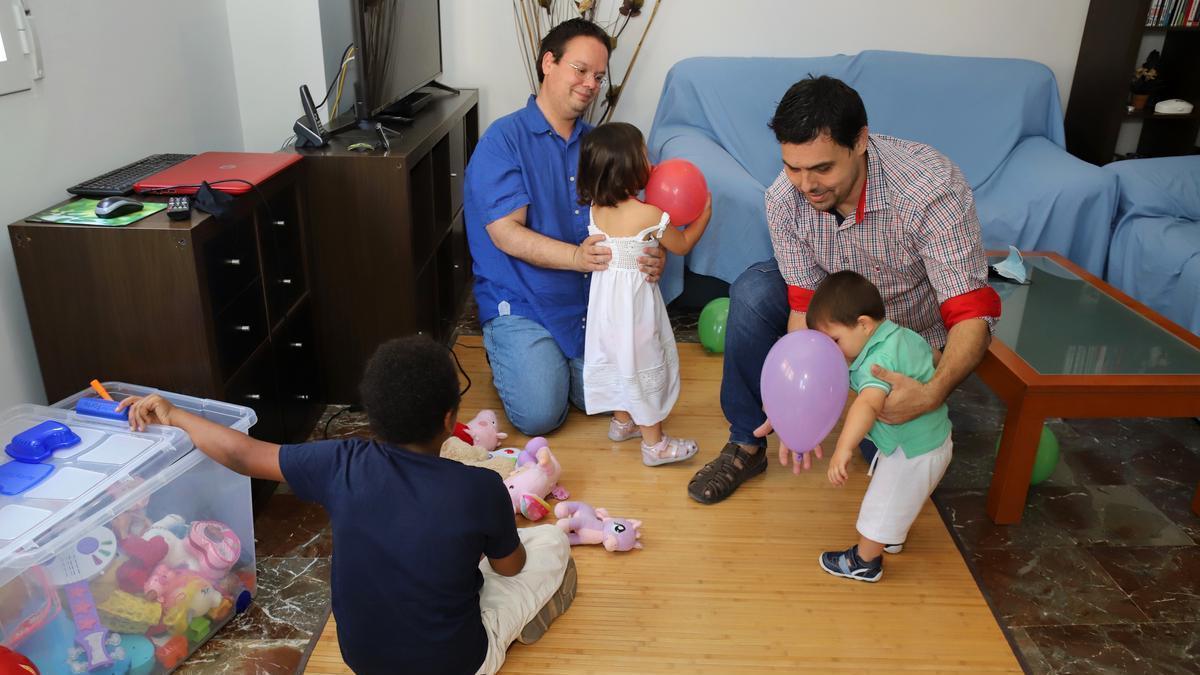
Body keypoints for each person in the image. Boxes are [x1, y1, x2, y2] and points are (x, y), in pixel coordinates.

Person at [119, 336, 574, 675]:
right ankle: (511, 631)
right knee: (549, 542)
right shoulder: (481, 487)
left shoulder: (340, 462)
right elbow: (510, 568)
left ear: (374, 416)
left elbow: (242, 453)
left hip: (363, 658)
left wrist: (174, 414)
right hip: (456, 663)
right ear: (450, 420)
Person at [687, 75, 1000, 505]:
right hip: (832, 316)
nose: (806, 185)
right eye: (793, 167)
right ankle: (746, 443)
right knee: (754, 291)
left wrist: (931, 391)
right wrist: (798, 403)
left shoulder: (930, 188)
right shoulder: (784, 198)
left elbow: (971, 313)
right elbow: (802, 307)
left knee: (894, 457)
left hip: (902, 340)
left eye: (822, 168)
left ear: (860, 142)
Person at [464, 18, 665, 437]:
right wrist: (576, 257)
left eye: (598, 76)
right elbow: (505, 233)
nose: (591, 84)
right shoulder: (503, 139)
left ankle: (551, 364)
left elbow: (628, 219)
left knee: (607, 401)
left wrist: (649, 254)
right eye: (580, 69)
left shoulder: (600, 145)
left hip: (590, 304)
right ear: (548, 63)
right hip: (521, 301)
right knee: (541, 416)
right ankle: (510, 350)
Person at [577, 122, 712, 465]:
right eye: (644, 156)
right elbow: (680, 246)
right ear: (628, 169)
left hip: (607, 310)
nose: (651, 163)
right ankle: (656, 445)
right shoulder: (650, 214)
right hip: (635, 309)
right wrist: (703, 216)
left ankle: (622, 422)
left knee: (621, 359)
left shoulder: (596, 209)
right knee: (644, 362)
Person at [804, 271, 953, 582]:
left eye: (835, 340)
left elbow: (867, 404)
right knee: (901, 495)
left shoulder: (877, 361)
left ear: (863, 324)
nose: (833, 350)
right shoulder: (900, 335)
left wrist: (843, 449)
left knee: (882, 502)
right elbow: (935, 357)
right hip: (931, 439)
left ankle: (865, 560)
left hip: (912, 451)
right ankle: (893, 536)